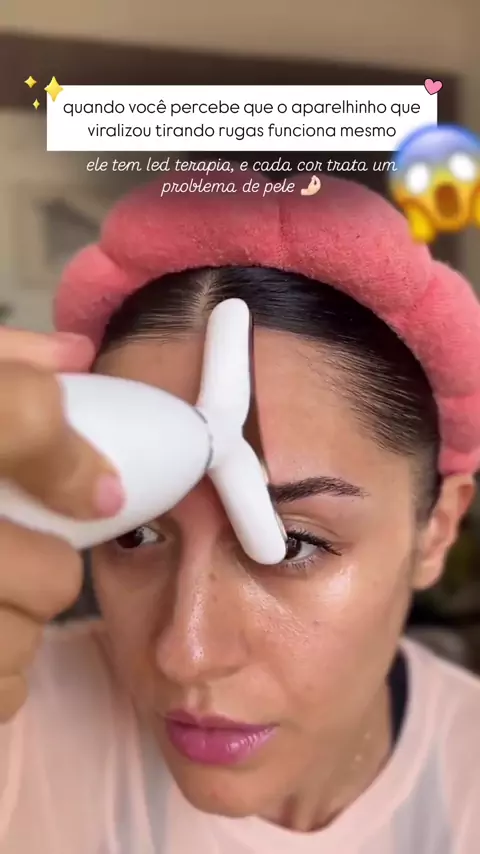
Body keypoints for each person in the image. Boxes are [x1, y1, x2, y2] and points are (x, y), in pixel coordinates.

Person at [1, 168, 480, 854]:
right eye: (135, 533)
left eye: (292, 543)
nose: (185, 654)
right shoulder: (18, 728)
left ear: (436, 531)